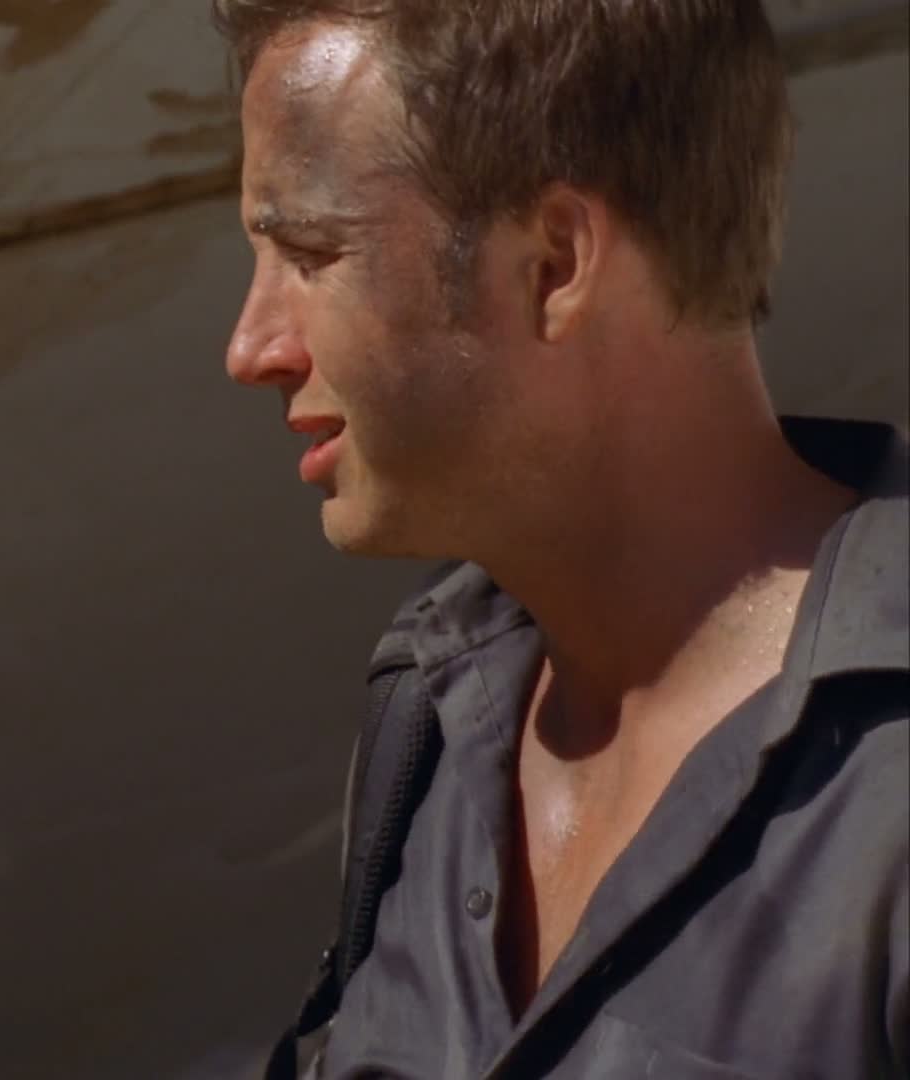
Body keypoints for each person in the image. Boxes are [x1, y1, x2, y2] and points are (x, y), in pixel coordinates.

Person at [213, 1, 908, 1077]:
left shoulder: (884, 785)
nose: (251, 346)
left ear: (554, 262)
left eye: (310, 252)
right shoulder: (429, 720)